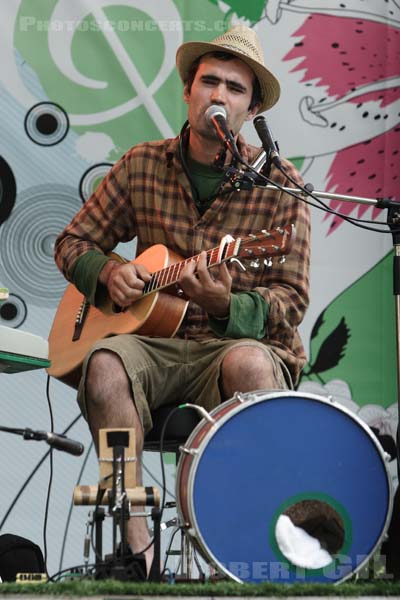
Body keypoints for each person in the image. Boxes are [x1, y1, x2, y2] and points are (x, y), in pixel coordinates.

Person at [54, 24, 310, 576]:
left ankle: (243, 541)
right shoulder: (142, 163)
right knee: (102, 365)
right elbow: (72, 243)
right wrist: (108, 273)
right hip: (155, 346)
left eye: (234, 89)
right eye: (209, 82)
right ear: (188, 91)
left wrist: (226, 306)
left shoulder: (281, 187)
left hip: (232, 347)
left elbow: (290, 298)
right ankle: (138, 543)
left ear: (251, 108)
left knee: (248, 361)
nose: (219, 95)